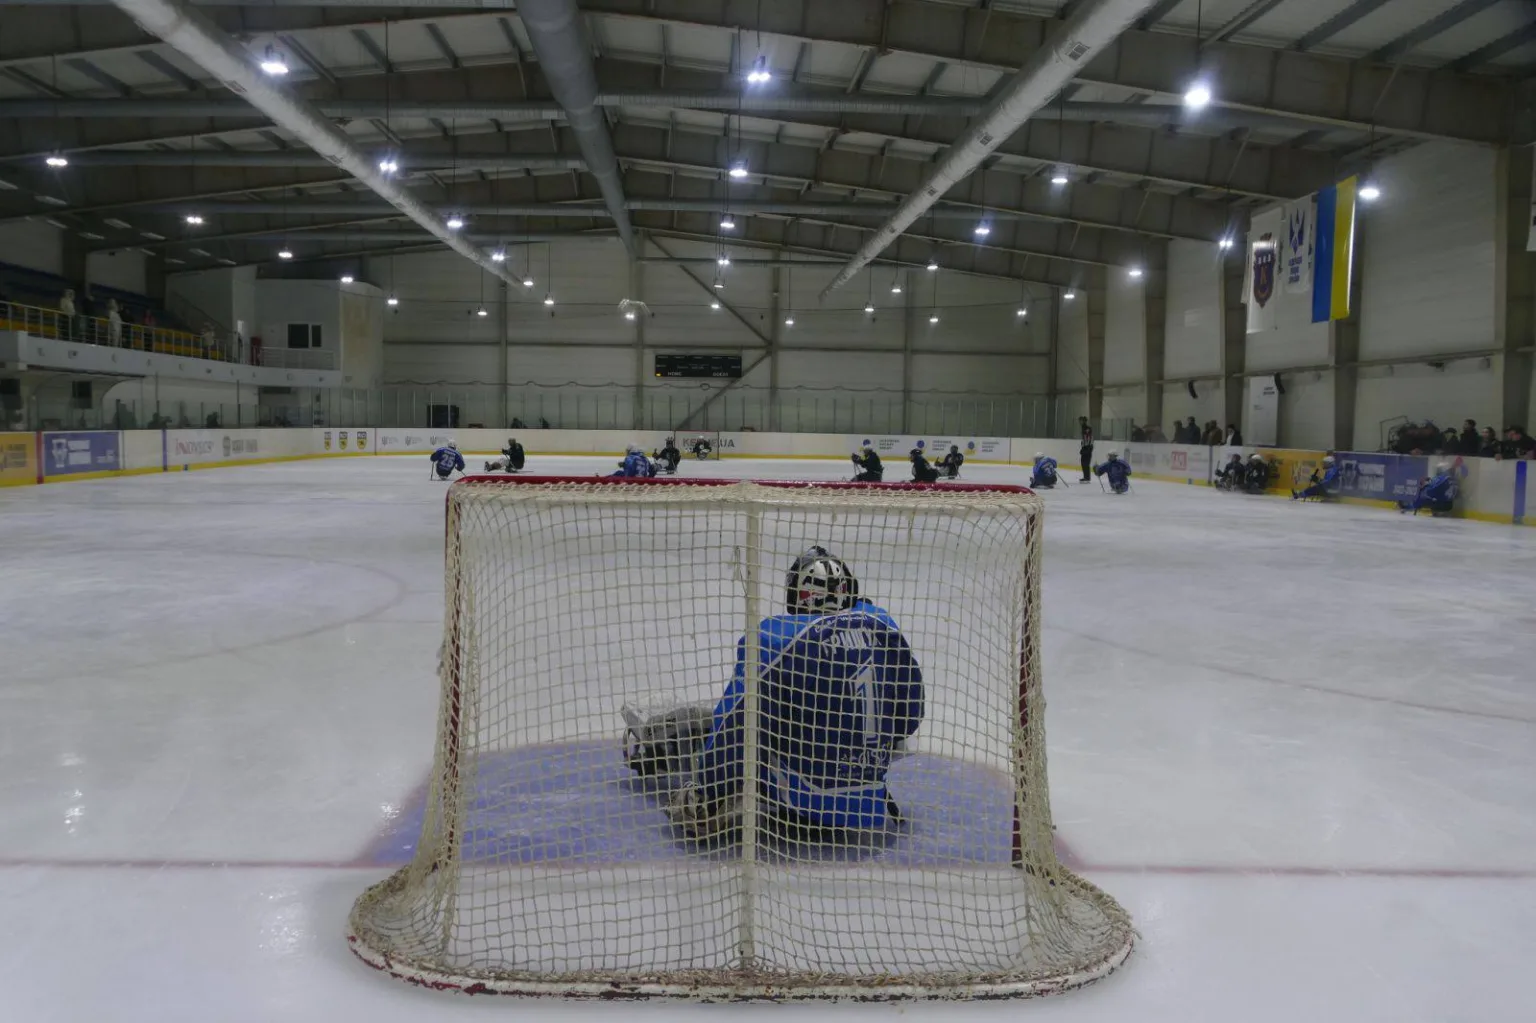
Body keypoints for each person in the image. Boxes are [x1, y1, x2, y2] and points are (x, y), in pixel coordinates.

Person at [624, 545, 923, 839]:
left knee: (729, 718)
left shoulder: (777, 639)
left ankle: (665, 753)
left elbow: (734, 727)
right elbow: (910, 717)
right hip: (866, 801)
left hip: (802, 804)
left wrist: (706, 790)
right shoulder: (884, 626)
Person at [1077, 416, 1094, 482]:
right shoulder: (1083, 428)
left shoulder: (1087, 428)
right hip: (1085, 447)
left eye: (1081, 420)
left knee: (1086, 463)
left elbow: (1089, 438)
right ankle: (1085, 477)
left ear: (1084, 421)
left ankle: (1087, 478)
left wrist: (1088, 448)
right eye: (1079, 420)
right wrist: (1082, 446)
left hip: (1088, 447)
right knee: (1083, 462)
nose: (1079, 422)